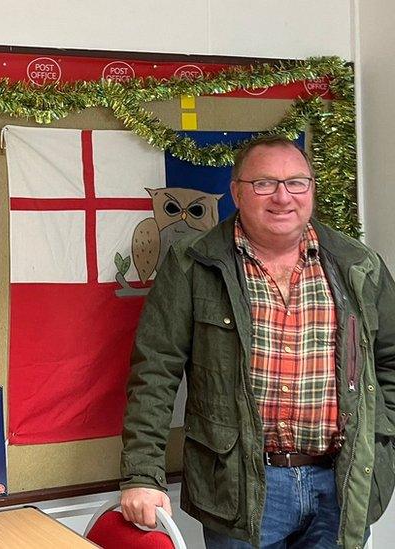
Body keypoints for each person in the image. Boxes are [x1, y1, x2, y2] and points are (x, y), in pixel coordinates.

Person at [119, 136, 395, 548]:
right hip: (240, 487)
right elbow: (155, 372)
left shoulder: (358, 264)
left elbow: (390, 360)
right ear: (236, 191)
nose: (283, 197)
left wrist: (380, 440)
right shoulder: (194, 262)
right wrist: (142, 474)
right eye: (264, 183)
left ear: (311, 190)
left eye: (296, 183)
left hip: (341, 485)